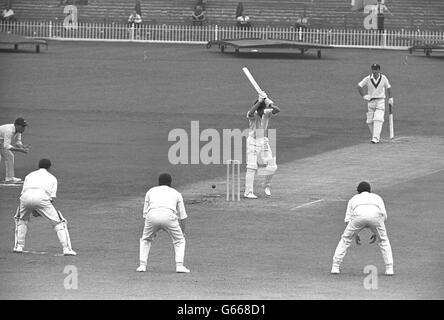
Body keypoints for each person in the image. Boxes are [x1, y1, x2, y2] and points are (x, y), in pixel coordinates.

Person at [13, 159, 77, 256]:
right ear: (49, 167)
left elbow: (24, 192)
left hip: (25, 198)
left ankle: (18, 246)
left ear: (38, 166)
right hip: (42, 198)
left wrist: (33, 209)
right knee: (59, 223)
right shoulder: (52, 178)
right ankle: (66, 249)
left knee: (21, 220)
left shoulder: (29, 175)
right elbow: (51, 198)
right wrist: (39, 209)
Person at [331, 181, 394, 275]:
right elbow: (384, 216)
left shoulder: (353, 198)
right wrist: (376, 231)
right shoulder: (377, 197)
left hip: (358, 216)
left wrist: (355, 234)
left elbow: (348, 219)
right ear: (369, 190)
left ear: (358, 191)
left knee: (345, 239)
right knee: (384, 241)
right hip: (376, 217)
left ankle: (335, 267)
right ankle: (389, 269)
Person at [137, 173, 190, 273]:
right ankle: (179, 266)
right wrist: (183, 232)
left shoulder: (150, 191)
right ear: (170, 183)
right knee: (179, 240)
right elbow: (183, 216)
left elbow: (145, 214)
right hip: (169, 216)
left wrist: (152, 229)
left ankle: (142, 265)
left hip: (152, 215)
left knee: (145, 239)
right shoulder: (176, 193)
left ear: (159, 182)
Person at [244, 91, 280, 199]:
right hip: (253, 141)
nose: (260, 111)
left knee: (273, 166)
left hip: (263, 141)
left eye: (261, 108)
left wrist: (269, 102)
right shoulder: (253, 114)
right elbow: (251, 112)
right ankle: (248, 192)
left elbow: (277, 110)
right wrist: (259, 101)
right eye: (259, 108)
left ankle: (266, 185)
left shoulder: (266, 112)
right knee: (251, 167)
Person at [357, 63, 393, 144]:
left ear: (379, 70)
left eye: (376, 69)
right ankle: (374, 136)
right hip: (371, 102)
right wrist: (364, 96)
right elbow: (359, 86)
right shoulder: (368, 78)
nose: (375, 71)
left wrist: (390, 98)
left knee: (378, 118)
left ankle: (375, 138)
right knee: (369, 121)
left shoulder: (383, 78)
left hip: (380, 101)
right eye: (373, 69)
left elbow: (388, 87)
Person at [0, 118, 30, 183]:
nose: (24, 128)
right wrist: (20, 150)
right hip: (2, 141)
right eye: (22, 126)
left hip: (1, 141)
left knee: (10, 156)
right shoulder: (9, 131)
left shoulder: (19, 131)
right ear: (16, 125)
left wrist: (23, 146)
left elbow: (18, 142)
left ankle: (9, 178)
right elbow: (6, 146)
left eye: (24, 126)